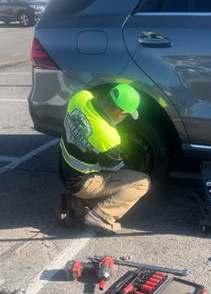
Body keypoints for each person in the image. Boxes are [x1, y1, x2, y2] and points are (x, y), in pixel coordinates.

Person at [57, 84, 151, 235]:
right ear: (123, 112)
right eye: (125, 115)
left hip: (64, 169)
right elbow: (116, 169)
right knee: (139, 183)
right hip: (81, 183)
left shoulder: (80, 97)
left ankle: (75, 205)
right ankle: (100, 216)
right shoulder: (109, 137)